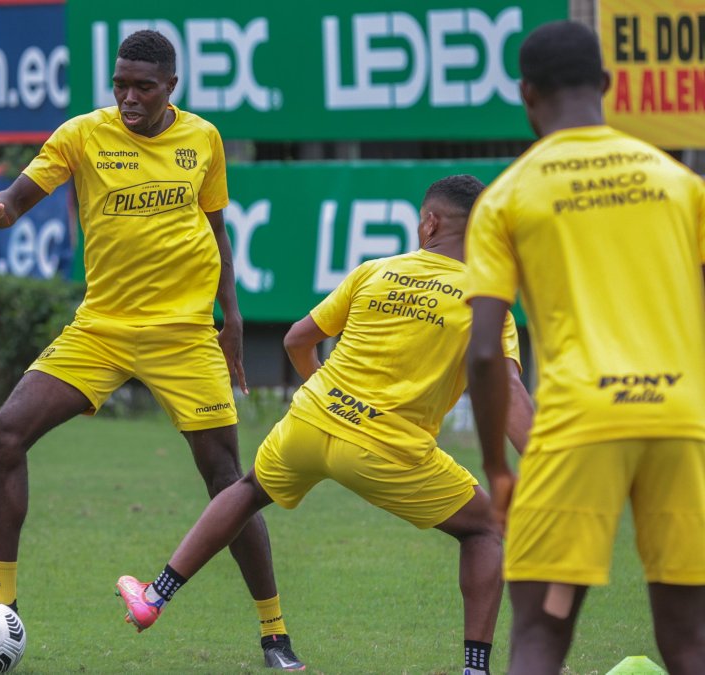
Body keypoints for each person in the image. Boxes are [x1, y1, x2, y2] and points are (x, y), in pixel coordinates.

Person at [0, 29, 302, 668]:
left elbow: (217, 229)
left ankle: (275, 633)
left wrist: (230, 317)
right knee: (2, 436)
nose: (128, 97)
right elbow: (19, 197)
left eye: (143, 87)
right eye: (120, 84)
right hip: (102, 328)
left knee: (226, 483)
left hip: (184, 335)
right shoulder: (81, 135)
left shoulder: (203, 140)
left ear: (171, 88)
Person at [118, 175, 535, 675]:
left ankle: (155, 596)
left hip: (311, 422)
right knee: (485, 531)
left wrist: (328, 394)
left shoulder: (375, 271)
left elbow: (297, 339)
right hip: (388, 452)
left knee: (248, 490)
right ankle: (474, 669)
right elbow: (507, 393)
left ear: (429, 223)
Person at [466, 21, 705, 675]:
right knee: (690, 641)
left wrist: (497, 467)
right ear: (606, 84)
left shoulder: (510, 195)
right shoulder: (680, 184)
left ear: (526, 94)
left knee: (541, 636)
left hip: (579, 426)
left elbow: (485, 353)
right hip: (680, 424)